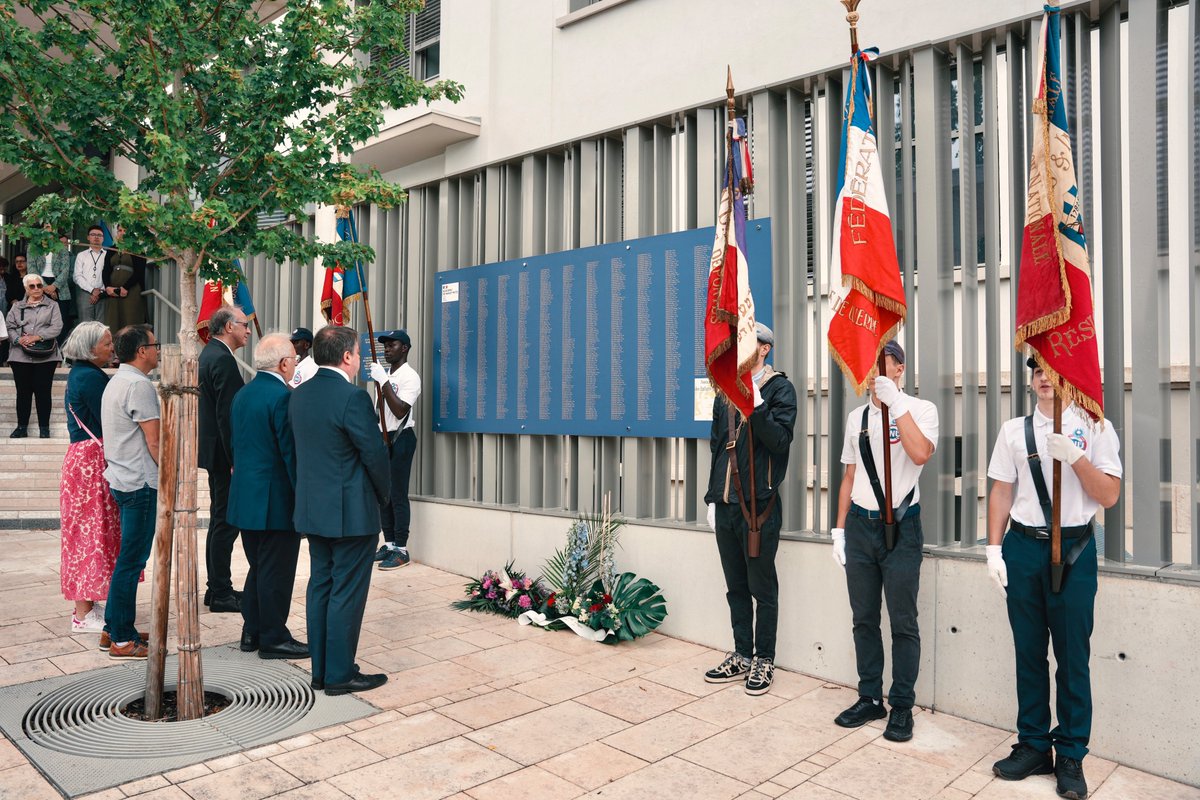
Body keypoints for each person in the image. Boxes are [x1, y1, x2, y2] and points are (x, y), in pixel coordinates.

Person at [986, 357, 1122, 800]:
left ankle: (1070, 754)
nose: (1045, 378)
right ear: (1030, 381)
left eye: (1052, 370)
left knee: (1071, 655)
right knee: (1028, 652)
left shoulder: (1096, 426)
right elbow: (1002, 489)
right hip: (1023, 548)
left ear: (1068, 376)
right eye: (1037, 371)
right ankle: (1033, 745)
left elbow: (1109, 495)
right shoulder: (1013, 431)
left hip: (1076, 549)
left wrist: (1077, 458)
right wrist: (992, 547)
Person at [830, 340, 938, 743]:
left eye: (886, 363)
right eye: (873, 364)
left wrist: (896, 405)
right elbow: (848, 476)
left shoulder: (922, 410)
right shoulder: (857, 418)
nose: (878, 371)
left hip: (902, 528)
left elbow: (921, 452)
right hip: (860, 526)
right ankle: (869, 696)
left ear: (900, 370)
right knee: (863, 618)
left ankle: (902, 706)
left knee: (903, 621)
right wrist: (839, 529)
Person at [290, 326, 390, 695]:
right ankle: (339, 674)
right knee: (345, 592)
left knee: (322, 586)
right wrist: (385, 496)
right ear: (347, 357)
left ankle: (322, 670)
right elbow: (374, 454)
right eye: (359, 352)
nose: (360, 358)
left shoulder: (298, 395)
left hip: (314, 510)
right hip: (350, 512)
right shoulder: (353, 398)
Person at [702, 322, 797, 696]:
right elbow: (715, 450)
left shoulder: (779, 389)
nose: (740, 348)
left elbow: (780, 441)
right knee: (735, 587)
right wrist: (712, 499)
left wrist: (757, 406)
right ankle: (742, 653)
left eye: (748, 343)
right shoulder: (725, 392)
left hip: (758, 509)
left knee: (762, 587)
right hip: (726, 508)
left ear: (764, 349)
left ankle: (764, 658)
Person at [227, 333, 308, 660]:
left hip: (246, 497)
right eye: (294, 360)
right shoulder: (282, 397)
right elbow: (290, 455)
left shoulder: (242, 394)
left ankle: (253, 629)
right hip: (274, 500)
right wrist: (302, 500)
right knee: (277, 571)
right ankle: (274, 638)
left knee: (260, 566)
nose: (296, 365)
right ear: (284, 363)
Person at [100, 324, 160, 660]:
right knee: (131, 559)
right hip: (139, 482)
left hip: (123, 479)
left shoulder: (117, 381)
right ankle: (122, 637)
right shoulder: (138, 385)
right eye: (155, 344)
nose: (157, 350)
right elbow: (154, 440)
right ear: (141, 350)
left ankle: (114, 627)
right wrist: (171, 473)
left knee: (127, 558)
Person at [58, 322, 123, 634]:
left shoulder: (83, 374)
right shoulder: (89, 378)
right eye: (107, 343)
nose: (112, 348)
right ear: (89, 347)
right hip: (90, 463)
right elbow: (108, 420)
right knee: (90, 534)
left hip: (85, 461)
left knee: (89, 532)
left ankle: (86, 606)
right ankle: (82, 614)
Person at [198, 304, 249, 613]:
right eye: (244, 324)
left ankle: (217, 587)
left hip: (215, 452)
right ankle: (219, 591)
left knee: (221, 521)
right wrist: (235, 459)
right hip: (223, 455)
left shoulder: (211, 355)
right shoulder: (221, 359)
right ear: (229, 327)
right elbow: (227, 416)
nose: (247, 330)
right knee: (225, 523)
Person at [368, 329, 421, 570]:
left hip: (401, 438)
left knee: (398, 494)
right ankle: (388, 543)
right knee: (383, 494)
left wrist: (384, 381)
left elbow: (400, 411)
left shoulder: (410, 377)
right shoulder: (386, 375)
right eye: (385, 345)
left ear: (405, 348)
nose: (387, 349)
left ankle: (401, 548)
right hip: (382, 437)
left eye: (392, 345)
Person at [6, 273, 63, 438]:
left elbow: (57, 327)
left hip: (46, 355)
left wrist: (37, 337)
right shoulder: (17, 307)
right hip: (20, 356)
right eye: (32, 286)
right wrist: (19, 339)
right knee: (23, 392)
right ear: (26, 288)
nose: (37, 289)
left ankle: (44, 429)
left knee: (43, 392)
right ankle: (21, 427)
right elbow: (9, 326)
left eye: (39, 285)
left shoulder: (52, 305)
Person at [28, 232, 74, 344]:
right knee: (39, 320)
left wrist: (54, 286)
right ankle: (39, 351)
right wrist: (45, 288)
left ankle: (58, 353)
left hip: (60, 287)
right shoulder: (33, 247)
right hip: (38, 285)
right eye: (46, 226)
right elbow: (32, 269)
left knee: (61, 323)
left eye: (51, 226)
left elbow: (65, 270)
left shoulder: (61, 247)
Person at [102, 225, 148, 330]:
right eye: (120, 230)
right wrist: (108, 287)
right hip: (113, 292)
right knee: (113, 321)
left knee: (131, 320)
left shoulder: (138, 249)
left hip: (131, 291)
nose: (122, 233)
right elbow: (106, 270)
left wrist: (126, 287)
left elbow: (139, 272)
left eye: (125, 231)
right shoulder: (111, 249)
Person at [73, 225, 111, 324]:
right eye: (93, 234)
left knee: (102, 326)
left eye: (99, 235)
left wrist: (99, 291)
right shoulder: (81, 255)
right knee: (85, 325)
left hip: (103, 294)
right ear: (88, 237)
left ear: (103, 238)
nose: (96, 237)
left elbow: (110, 275)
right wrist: (92, 290)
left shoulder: (108, 255)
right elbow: (77, 276)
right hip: (85, 294)